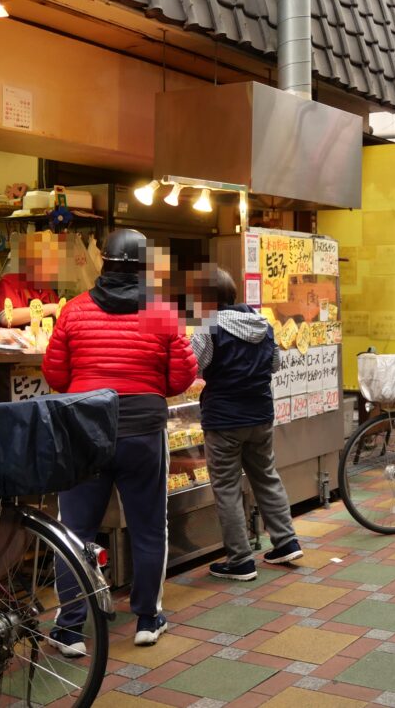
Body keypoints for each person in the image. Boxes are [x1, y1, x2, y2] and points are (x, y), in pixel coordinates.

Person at [42, 229, 198, 653]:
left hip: (84, 427)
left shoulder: (74, 311)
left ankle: (71, 628)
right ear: (143, 268)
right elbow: (184, 375)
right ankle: (147, 618)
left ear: (104, 263)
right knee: (149, 527)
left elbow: (55, 374)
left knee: (74, 530)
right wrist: (149, 388)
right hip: (142, 431)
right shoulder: (162, 313)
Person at [190, 268, 302, 580]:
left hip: (224, 419)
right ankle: (286, 541)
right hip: (261, 414)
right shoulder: (263, 323)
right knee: (266, 476)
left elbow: (191, 366)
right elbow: (275, 365)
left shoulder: (208, 327)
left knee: (226, 487)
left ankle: (240, 560)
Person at [0, 231, 62, 327]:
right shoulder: (8, 283)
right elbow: (6, 318)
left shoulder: (47, 289)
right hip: (13, 341)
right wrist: (51, 308)